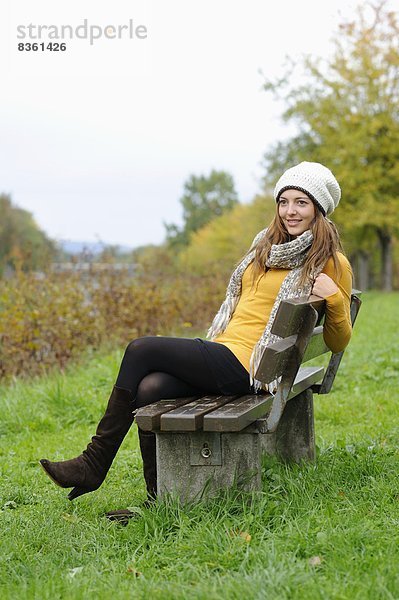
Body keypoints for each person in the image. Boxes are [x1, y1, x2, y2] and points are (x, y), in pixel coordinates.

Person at [40, 161, 352, 522]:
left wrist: (335, 299)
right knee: (150, 386)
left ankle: (93, 464)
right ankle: (159, 500)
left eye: (301, 202)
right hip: (228, 353)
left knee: (141, 348)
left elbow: (338, 340)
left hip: (251, 367)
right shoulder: (264, 251)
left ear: (319, 209)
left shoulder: (330, 261)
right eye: (284, 201)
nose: (290, 211)